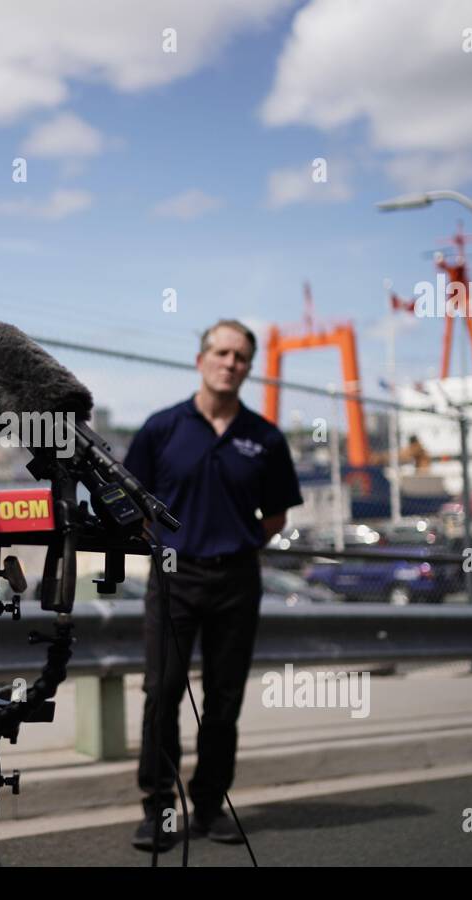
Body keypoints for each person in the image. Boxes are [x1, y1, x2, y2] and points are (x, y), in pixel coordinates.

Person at [123, 319, 303, 850]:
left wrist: (233, 543)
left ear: (248, 368)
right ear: (201, 359)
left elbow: (274, 518)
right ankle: (159, 809)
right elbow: (134, 506)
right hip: (174, 580)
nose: (230, 363)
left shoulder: (264, 438)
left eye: (241, 357)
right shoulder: (161, 429)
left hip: (236, 580)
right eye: (221, 353)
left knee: (224, 702)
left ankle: (208, 806)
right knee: (162, 694)